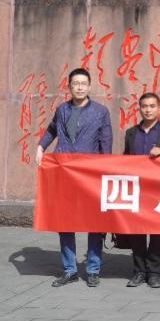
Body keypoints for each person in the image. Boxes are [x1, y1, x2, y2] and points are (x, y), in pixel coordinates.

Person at [35, 67, 112, 288]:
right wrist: (41, 147)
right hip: (64, 173)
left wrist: (104, 169)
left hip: (90, 175)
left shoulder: (100, 112)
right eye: (75, 83)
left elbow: (106, 143)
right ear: (69, 86)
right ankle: (69, 270)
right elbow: (52, 130)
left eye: (83, 83)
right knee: (65, 221)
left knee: (95, 222)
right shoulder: (62, 110)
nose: (79, 87)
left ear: (89, 86)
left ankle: (93, 269)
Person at [123, 92, 160, 289]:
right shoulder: (131, 133)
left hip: (159, 190)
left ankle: (154, 272)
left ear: (159, 108)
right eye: (144, 106)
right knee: (137, 232)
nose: (148, 110)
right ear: (139, 109)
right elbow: (125, 158)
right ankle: (139, 271)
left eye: (152, 106)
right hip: (137, 189)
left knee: (157, 232)